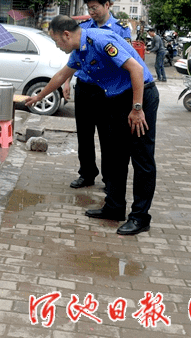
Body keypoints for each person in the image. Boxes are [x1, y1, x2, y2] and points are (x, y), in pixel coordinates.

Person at [25, 15, 158, 236]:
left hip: (139, 96)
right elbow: (61, 76)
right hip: (116, 99)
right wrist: (39, 97)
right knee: (115, 155)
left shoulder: (101, 41)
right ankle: (114, 207)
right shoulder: (79, 53)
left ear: (66, 35)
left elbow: (135, 69)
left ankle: (140, 217)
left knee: (142, 158)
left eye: (57, 41)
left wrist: (137, 109)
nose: (58, 46)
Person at [64, 0, 131, 190]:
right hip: (84, 88)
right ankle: (87, 173)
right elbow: (73, 59)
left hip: (106, 91)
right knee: (84, 135)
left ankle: (109, 178)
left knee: (107, 137)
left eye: (95, 8)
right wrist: (67, 82)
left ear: (107, 5)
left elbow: (128, 62)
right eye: (89, 8)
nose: (92, 12)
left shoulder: (121, 29)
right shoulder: (83, 28)